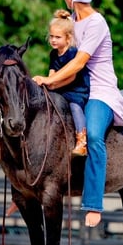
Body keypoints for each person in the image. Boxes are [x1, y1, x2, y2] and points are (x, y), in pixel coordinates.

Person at [33, 0, 123, 228]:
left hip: (98, 90)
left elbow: (78, 62)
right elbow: (63, 57)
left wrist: (49, 81)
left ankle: (94, 203)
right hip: (74, 87)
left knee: (95, 136)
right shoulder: (71, 20)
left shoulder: (97, 23)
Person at [47, 9, 91, 156]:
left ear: (68, 38)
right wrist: (47, 85)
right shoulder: (54, 53)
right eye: (51, 36)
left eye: (57, 37)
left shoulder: (72, 53)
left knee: (75, 107)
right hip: (61, 88)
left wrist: (52, 84)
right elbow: (52, 73)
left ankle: (81, 140)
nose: (53, 40)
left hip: (76, 89)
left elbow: (71, 77)